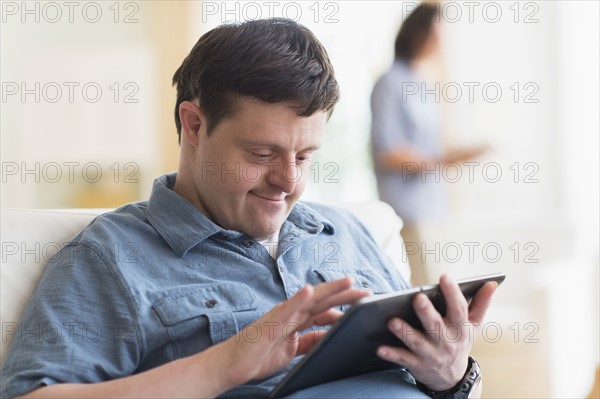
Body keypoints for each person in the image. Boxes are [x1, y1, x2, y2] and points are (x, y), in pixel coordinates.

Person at [1, 18, 497, 398]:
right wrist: (222, 366)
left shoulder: (346, 230)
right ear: (194, 125)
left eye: (304, 156)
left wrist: (450, 375)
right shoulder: (111, 256)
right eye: (262, 155)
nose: (289, 180)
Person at [370, 3, 488, 286]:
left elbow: (431, 148)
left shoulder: (422, 83)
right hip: (408, 209)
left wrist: (460, 155)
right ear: (417, 34)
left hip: (433, 206)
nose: (439, 43)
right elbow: (388, 152)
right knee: (429, 293)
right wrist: (441, 161)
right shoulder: (390, 82)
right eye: (435, 34)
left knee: (440, 287)